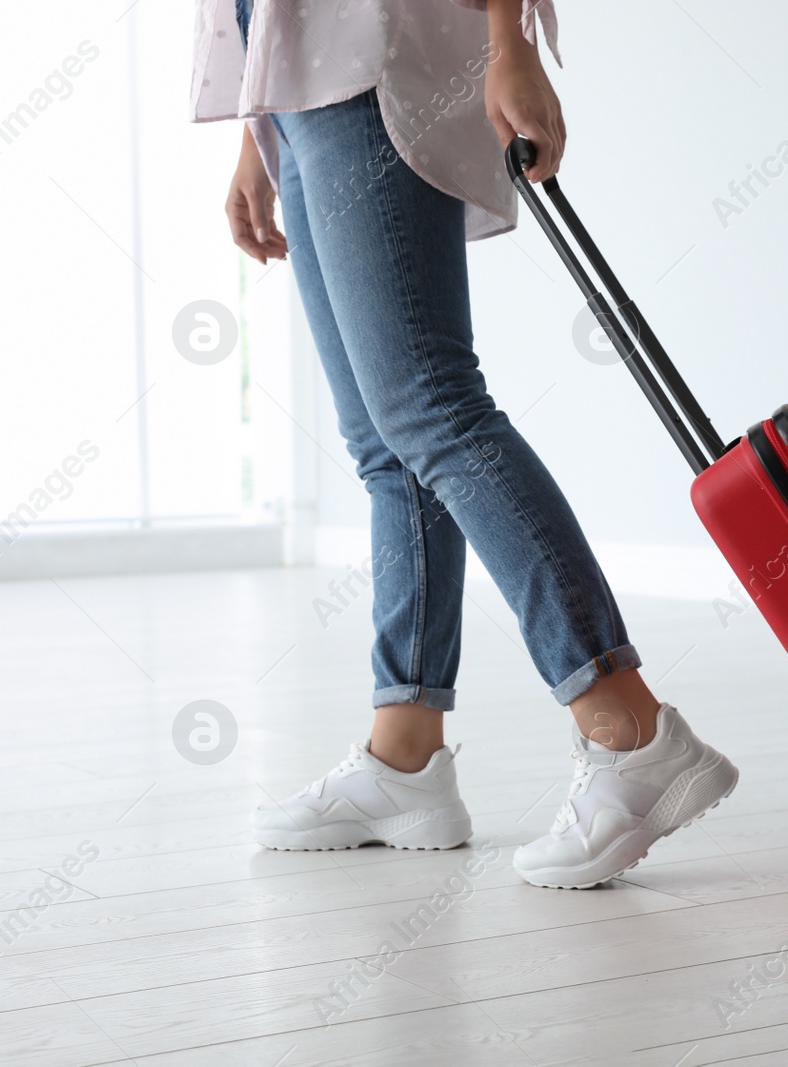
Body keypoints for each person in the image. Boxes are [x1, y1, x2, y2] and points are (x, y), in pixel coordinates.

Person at [193, 0, 737, 889]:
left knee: (433, 410)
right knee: (385, 445)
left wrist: (508, 41)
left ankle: (628, 728)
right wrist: (259, 132)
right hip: (294, 84)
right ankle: (403, 756)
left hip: (370, 56)